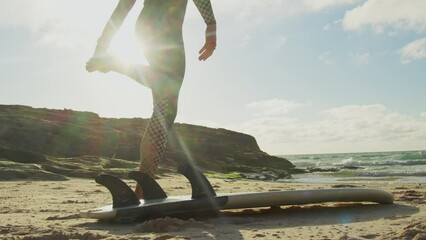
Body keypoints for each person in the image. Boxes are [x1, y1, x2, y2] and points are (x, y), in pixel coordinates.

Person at [86, 0, 217, 198]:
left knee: (164, 103)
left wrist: (101, 47)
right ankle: (144, 184)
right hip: (167, 32)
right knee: (166, 107)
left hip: (149, 28)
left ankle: (142, 186)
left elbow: (122, 9)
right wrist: (211, 27)